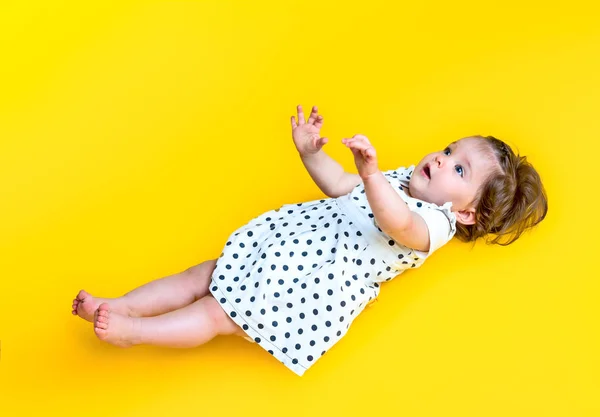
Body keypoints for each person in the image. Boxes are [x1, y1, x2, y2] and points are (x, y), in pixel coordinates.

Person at [71, 105, 548, 376]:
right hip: (294, 243)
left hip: (311, 284)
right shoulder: (405, 178)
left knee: (216, 313)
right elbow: (341, 185)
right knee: (202, 274)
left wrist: (371, 173)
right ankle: (123, 305)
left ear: (465, 212)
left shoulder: (435, 225)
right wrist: (309, 154)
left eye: (459, 169)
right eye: (449, 150)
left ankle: (136, 334)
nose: (442, 160)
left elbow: (395, 221)